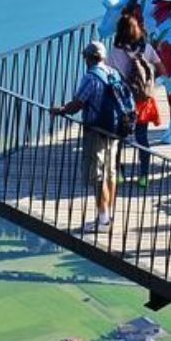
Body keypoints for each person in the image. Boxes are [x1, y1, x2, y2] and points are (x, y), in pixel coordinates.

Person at [51, 40, 132, 231]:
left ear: (89, 58)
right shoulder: (114, 73)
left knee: (97, 175)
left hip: (96, 130)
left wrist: (60, 110)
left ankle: (103, 220)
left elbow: (78, 103)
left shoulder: (91, 77)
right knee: (111, 172)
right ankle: (108, 214)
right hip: (115, 129)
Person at [110, 8, 160, 189]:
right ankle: (144, 176)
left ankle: (119, 172)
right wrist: (149, 81)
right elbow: (161, 68)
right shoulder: (146, 49)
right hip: (143, 101)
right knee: (142, 138)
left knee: (119, 136)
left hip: (123, 101)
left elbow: (111, 74)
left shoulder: (115, 51)